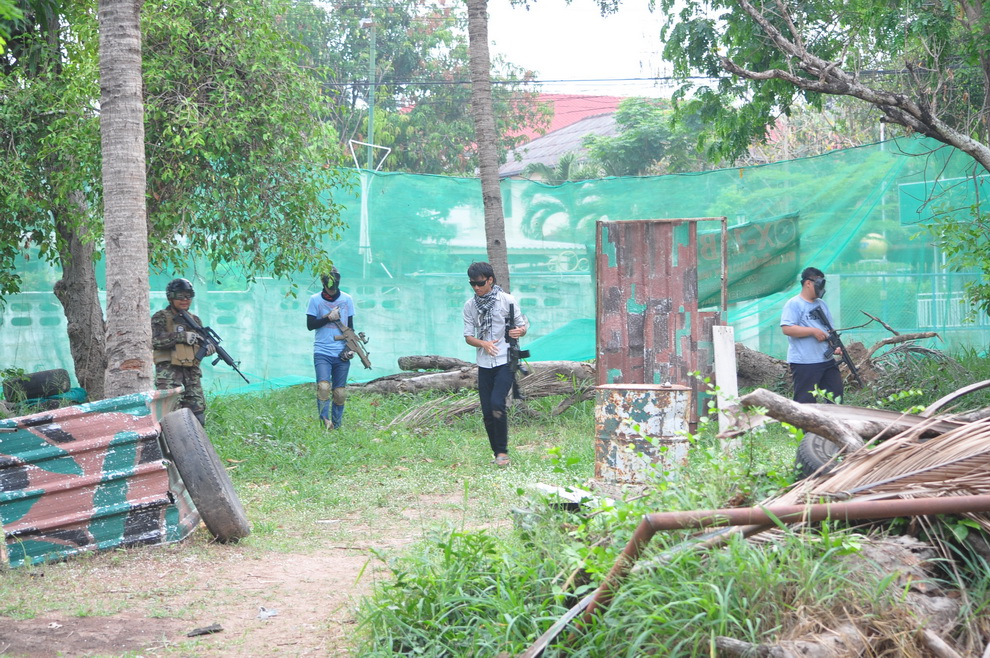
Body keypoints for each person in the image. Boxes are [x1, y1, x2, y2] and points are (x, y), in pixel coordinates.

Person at [462, 262, 528, 467]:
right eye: (472, 284)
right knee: (487, 411)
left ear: (490, 280)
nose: (476, 288)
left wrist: (520, 331)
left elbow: (522, 324)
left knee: (497, 404)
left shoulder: (507, 300)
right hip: (484, 363)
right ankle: (497, 453)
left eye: (480, 283)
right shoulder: (470, 306)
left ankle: (502, 453)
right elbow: (468, 336)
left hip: (505, 360)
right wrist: (483, 344)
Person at [152, 278, 215, 426]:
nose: (185, 300)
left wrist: (206, 349)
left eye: (189, 296)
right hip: (169, 375)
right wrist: (181, 336)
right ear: (171, 297)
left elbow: (197, 345)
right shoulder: (161, 317)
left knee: (197, 417)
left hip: (191, 376)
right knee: (170, 418)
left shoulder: (195, 320)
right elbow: (154, 340)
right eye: (180, 296)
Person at [780, 267, 843, 403]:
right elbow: (787, 329)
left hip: (827, 361)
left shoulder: (822, 304)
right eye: (819, 283)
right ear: (808, 283)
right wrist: (813, 331)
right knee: (805, 402)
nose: (822, 287)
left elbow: (830, 330)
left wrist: (835, 345)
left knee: (836, 397)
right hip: (804, 362)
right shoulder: (794, 304)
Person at [306, 267, 356, 431]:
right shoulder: (315, 300)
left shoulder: (347, 299)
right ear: (323, 282)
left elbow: (350, 327)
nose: (332, 289)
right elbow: (310, 325)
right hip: (322, 351)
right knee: (323, 388)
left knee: (340, 393)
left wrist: (350, 348)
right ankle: (324, 423)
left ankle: (337, 426)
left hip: (341, 352)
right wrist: (328, 318)